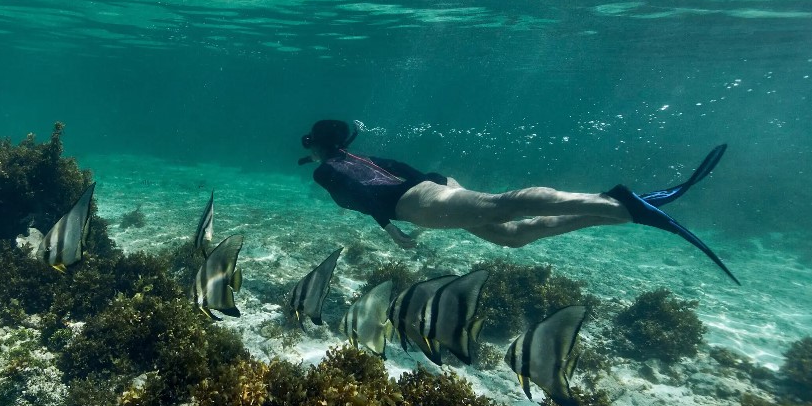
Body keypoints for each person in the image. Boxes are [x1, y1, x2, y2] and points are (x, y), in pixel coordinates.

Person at [298, 119, 739, 283]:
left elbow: (360, 194)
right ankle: (624, 211)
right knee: (511, 237)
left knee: (501, 206)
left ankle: (614, 203)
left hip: (417, 204)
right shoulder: (361, 154)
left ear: (317, 145)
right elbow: (396, 170)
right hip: (431, 187)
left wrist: (394, 232)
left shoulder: (324, 170)